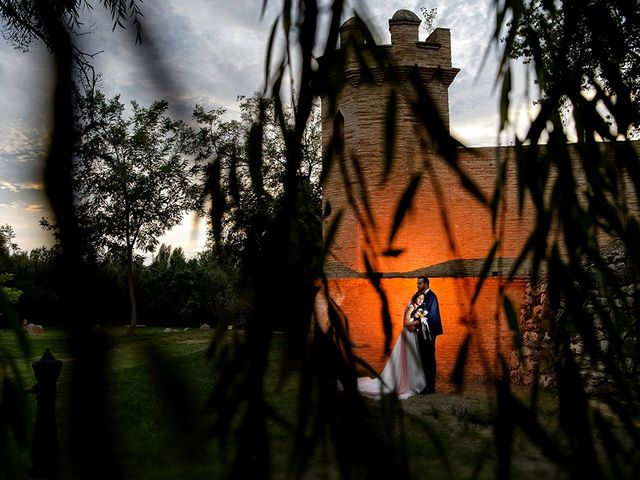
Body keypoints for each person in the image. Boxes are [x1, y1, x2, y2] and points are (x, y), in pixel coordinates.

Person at [356, 291, 427, 399]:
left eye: (422, 299)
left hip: (412, 335)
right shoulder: (411, 307)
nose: (420, 300)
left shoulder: (418, 308)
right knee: (406, 358)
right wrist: (418, 321)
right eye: (419, 298)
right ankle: (403, 382)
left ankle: (410, 381)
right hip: (407, 335)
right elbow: (405, 323)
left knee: (410, 358)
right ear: (415, 298)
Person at [414, 276, 443, 394]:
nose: (418, 285)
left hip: (429, 333)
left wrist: (416, 323)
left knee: (429, 359)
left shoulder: (432, 297)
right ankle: (425, 385)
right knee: (424, 359)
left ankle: (430, 387)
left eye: (420, 283)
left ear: (426, 284)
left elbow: (430, 316)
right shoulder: (422, 296)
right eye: (417, 283)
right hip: (423, 332)